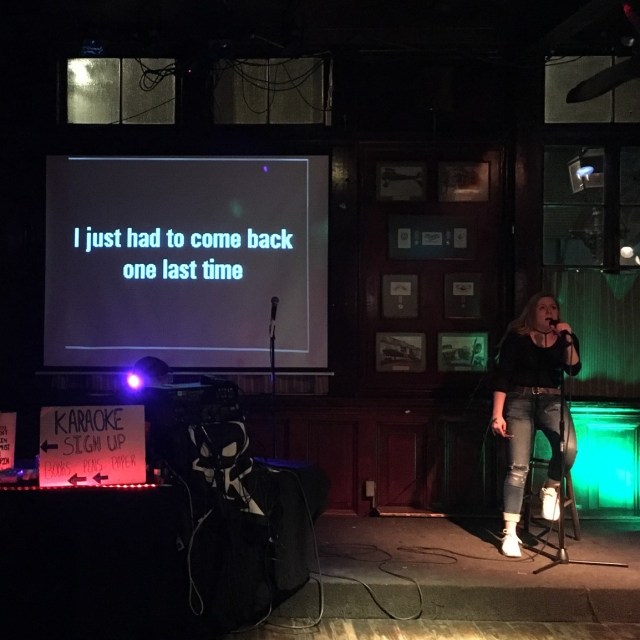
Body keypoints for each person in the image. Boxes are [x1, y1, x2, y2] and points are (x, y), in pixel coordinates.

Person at [491, 292, 581, 557]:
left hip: (552, 402)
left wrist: (567, 338)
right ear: (531, 312)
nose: (549, 311)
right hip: (520, 400)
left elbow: (574, 369)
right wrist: (497, 414)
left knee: (569, 448)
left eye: (553, 307)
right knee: (518, 467)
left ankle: (550, 487)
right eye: (542, 307)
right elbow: (502, 377)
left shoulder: (564, 339)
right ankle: (510, 532)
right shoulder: (517, 338)